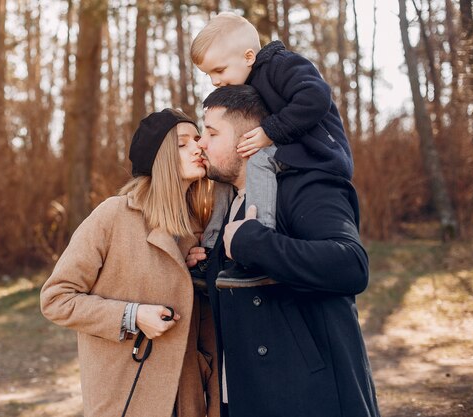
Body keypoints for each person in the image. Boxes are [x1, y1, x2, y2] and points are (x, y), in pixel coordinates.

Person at [187, 85, 380, 417]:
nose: (200, 142)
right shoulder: (229, 204)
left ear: (247, 140)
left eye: (212, 132)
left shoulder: (306, 185)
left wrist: (254, 243)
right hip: (248, 396)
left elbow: (350, 264)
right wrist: (203, 270)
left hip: (311, 397)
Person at [40, 109, 219, 417]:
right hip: (128, 394)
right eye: (182, 143)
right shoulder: (113, 216)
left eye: (198, 140)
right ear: (160, 158)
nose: (198, 147)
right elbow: (56, 298)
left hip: (186, 396)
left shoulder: (198, 227)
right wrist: (131, 316)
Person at [190, 12, 353, 288]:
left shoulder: (283, 65)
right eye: (209, 75)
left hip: (318, 152)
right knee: (221, 177)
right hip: (289, 150)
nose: (215, 80)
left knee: (257, 162)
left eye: (219, 71)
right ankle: (210, 250)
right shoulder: (247, 85)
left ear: (249, 57)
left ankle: (257, 242)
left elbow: (316, 96)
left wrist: (270, 131)